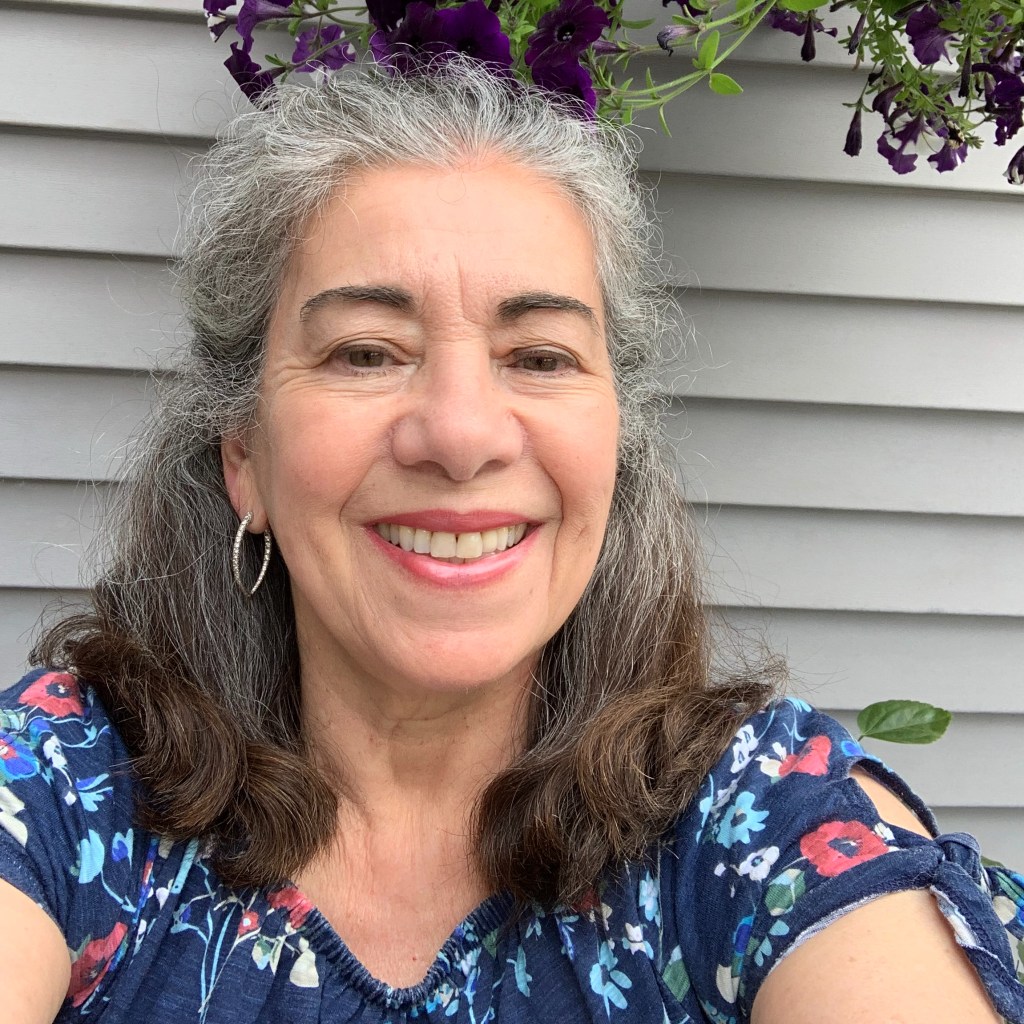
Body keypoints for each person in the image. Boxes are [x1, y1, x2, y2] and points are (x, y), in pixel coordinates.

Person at [1, 60, 1022, 1024]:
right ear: (245, 457)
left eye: (539, 357)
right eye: (366, 352)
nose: (461, 435)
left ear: (614, 441)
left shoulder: (759, 819)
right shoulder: (68, 789)